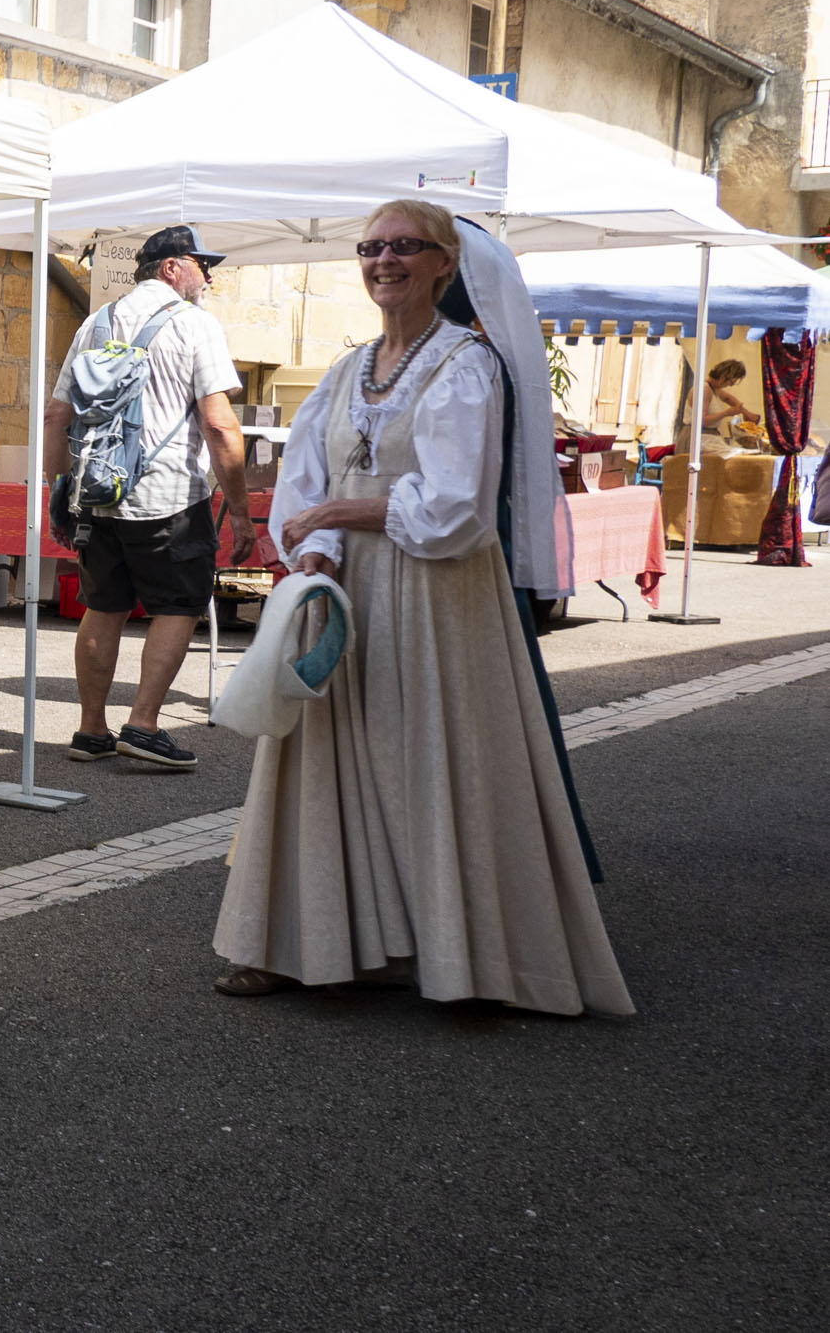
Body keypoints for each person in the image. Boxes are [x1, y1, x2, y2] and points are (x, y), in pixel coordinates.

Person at [214, 201, 632, 1017]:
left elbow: (456, 511)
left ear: (447, 263)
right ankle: (308, 945)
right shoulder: (347, 369)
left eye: (405, 246)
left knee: (435, 760)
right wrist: (317, 559)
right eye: (371, 247)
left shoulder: (466, 367)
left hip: (436, 596)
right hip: (351, 590)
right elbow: (309, 477)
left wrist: (338, 517)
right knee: (327, 764)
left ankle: (464, 955)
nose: (384, 260)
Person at [43, 224, 258, 771]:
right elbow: (219, 424)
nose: (208, 276)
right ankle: (143, 724)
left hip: (98, 493)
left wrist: (59, 488)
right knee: (177, 606)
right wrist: (239, 512)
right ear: (169, 268)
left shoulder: (96, 322)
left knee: (103, 606)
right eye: (200, 264)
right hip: (169, 496)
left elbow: (57, 415)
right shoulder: (194, 325)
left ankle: (91, 729)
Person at [701, 358, 760, 435]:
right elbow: (702, 420)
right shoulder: (705, 389)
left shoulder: (714, 388)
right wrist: (726, 413)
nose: (730, 386)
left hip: (709, 435)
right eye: (731, 382)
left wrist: (746, 413)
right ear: (723, 378)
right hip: (700, 436)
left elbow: (728, 398)